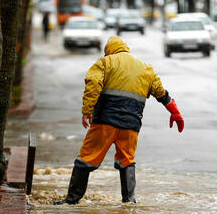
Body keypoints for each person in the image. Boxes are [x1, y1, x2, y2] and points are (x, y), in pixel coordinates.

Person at [54, 36, 184, 205]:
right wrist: (175, 112)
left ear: (109, 50)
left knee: (86, 158)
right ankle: (129, 202)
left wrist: (87, 110)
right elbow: (161, 93)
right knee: (126, 161)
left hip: (105, 122)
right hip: (131, 125)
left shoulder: (105, 62)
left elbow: (93, 83)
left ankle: (71, 201)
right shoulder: (146, 68)